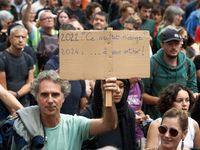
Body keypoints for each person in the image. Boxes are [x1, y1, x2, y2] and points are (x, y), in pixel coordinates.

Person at [10, 70, 118, 149]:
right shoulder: (23, 127)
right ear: (37, 98)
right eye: (44, 95)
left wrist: (107, 96)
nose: (50, 100)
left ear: (63, 98)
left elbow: (108, 125)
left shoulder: (75, 124)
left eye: (55, 94)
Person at [142, 28, 199, 120]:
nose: (173, 47)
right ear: (162, 46)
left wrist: (193, 95)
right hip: (157, 119)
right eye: (169, 44)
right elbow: (142, 95)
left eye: (176, 44)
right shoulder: (151, 64)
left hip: (182, 120)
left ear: (181, 44)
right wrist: (166, 101)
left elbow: (193, 89)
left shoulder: (188, 64)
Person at [81, 79, 137, 150]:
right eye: (113, 87)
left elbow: (132, 145)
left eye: (121, 86)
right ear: (102, 88)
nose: (118, 90)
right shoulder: (88, 114)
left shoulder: (128, 112)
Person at [145, 83, 200, 149]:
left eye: (187, 100)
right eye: (179, 101)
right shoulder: (156, 124)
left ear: (184, 134)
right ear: (169, 102)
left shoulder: (193, 124)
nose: (185, 104)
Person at [0, 25, 34, 121]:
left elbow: (30, 83)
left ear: (26, 39)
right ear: (10, 38)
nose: (20, 40)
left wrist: (17, 94)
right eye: (17, 37)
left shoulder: (28, 58)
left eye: (23, 37)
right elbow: (3, 92)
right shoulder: (2, 58)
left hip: (24, 104)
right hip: (5, 107)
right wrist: (13, 111)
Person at [23, 0, 58, 74]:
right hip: (40, 72)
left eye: (51, 18)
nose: (49, 20)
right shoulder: (35, 32)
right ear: (39, 22)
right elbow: (25, 22)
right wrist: (29, 5)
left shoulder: (58, 33)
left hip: (56, 70)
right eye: (46, 18)